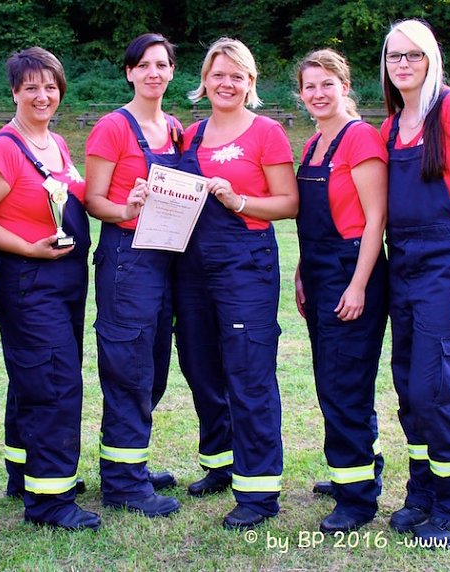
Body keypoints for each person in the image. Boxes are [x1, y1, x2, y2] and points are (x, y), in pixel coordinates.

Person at [174, 37, 298, 530]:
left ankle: (259, 489)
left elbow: (288, 203)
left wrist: (240, 200)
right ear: (204, 81)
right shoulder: (190, 134)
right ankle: (220, 463)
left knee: (248, 372)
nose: (226, 83)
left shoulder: (266, 132)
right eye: (217, 74)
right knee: (200, 366)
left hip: (245, 264)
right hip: (192, 266)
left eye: (237, 75)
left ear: (251, 83)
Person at [380, 19, 450, 547]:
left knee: (436, 390)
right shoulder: (390, 124)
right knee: (409, 389)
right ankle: (424, 492)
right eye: (394, 56)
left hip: (448, 263)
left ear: (431, 59)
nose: (403, 64)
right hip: (402, 262)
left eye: (413, 55)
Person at [0, 47, 99, 531]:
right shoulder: (3, 149)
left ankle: (25, 471)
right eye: (31, 87)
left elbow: (73, 192)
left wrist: (126, 196)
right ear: (14, 92)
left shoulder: (57, 143)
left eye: (50, 86)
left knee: (34, 378)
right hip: (29, 282)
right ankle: (50, 502)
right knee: (54, 382)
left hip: (65, 279)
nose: (42, 95)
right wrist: (28, 248)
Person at [83, 33, 182, 518]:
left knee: (154, 368)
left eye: (162, 65)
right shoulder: (112, 127)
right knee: (128, 369)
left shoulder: (175, 127)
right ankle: (123, 484)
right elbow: (92, 199)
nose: (153, 73)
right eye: (143, 65)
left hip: (167, 259)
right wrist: (127, 207)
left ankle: (131, 464)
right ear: (129, 72)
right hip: (127, 259)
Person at [293, 49, 389, 534]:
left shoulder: (360, 139)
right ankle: (357, 471)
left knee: (343, 383)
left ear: (344, 87)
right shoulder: (313, 145)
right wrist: (301, 272)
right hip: (319, 269)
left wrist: (357, 285)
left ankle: (357, 500)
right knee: (334, 379)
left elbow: (375, 221)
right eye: (310, 86)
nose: (318, 94)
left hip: (354, 272)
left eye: (326, 84)